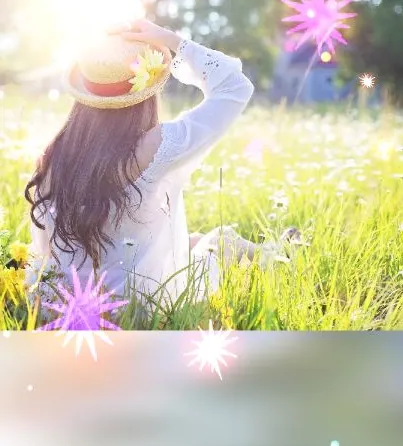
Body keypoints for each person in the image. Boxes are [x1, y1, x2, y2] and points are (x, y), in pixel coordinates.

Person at [25, 19, 275, 320]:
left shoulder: (54, 155)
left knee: (192, 239)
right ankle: (279, 256)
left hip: (72, 306)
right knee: (221, 240)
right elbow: (235, 87)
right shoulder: (157, 146)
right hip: (143, 308)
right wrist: (170, 40)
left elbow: (44, 253)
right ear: (146, 94)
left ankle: (275, 251)